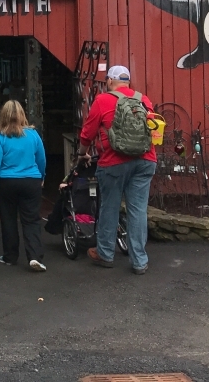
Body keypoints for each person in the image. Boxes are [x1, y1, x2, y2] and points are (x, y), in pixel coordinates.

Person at [78, 65, 157, 274]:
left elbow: (87, 133)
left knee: (109, 207)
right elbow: (155, 129)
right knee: (138, 210)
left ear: (110, 82)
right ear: (128, 82)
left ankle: (105, 253)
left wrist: (82, 153)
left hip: (113, 162)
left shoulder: (103, 100)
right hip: (145, 159)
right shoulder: (144, 100)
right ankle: (139, 261)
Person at [0, 101, 47, 271]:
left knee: (8, 219)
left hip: (6, 182)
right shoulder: (33, 135)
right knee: (31, 220)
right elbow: (41, 159)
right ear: (22, 115)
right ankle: (34, 257)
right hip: (31, 180)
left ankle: (10, 256)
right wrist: (42, 176)